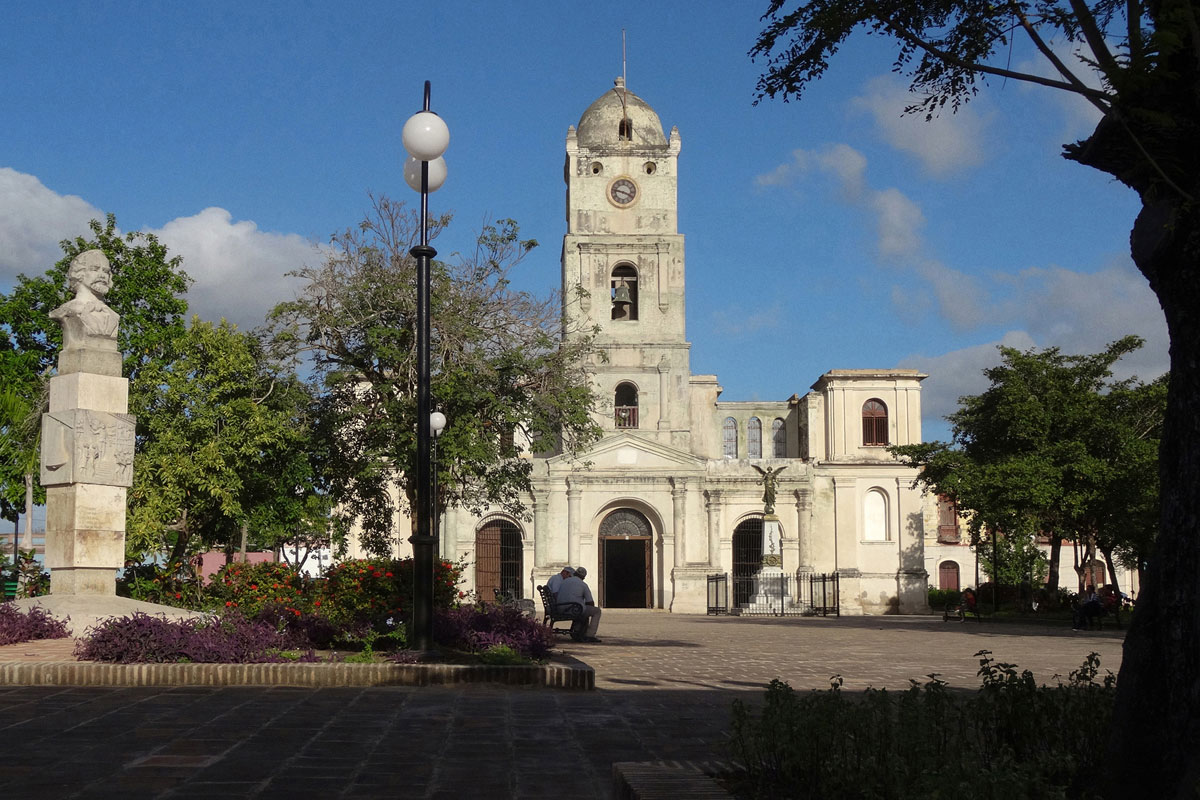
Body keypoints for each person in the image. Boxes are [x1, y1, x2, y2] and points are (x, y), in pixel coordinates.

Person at [556, 566, 601, 642]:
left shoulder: (564, 581)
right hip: (573, 609)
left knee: (581, 609)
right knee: (596, 611)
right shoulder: (583, 584)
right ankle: (590, 635)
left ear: (575, 573)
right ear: (583, 577)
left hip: (560, 608)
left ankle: (577, 630)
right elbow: (590, 602)